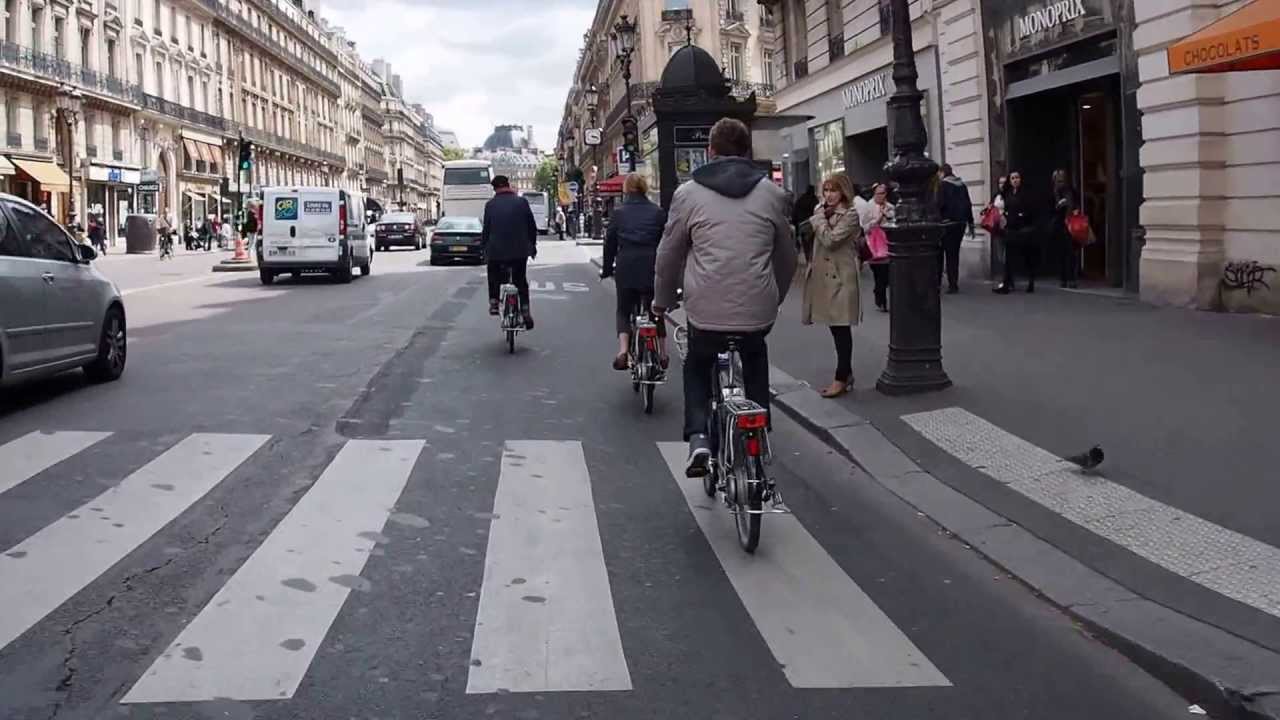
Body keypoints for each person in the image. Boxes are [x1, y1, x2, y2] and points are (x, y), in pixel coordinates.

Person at [652, 117, 797, 476]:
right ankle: (759, 426)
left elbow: (669, 255)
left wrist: (663, 299)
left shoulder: (687, 194)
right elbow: (787, 256)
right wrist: (774, 294)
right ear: (747, 151)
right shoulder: (772, 194)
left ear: (709, 151)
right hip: (758, 308)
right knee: (754, 352)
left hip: (705, 309)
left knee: (698, 363)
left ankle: (699, 436)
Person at [802, 173, 864, 398]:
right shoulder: (823, 212)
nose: (828, 195)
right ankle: (845, 374)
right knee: (835, 327)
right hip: (825, 278)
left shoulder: (850, 215)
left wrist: (817, 220)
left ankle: (842, 376)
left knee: (841, 327)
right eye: (826, 190)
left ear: (843, 192)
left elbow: (831, 240)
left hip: (841, 279)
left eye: (833, 190)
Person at [601, 173, 668, 371]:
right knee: (656, 309)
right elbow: (667, 243)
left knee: (623, 309)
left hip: (626, 265)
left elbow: (610, 244)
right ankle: (663, 354)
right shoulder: (657, 212)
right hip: (652, 265)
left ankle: (623, 351)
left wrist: (606, 269)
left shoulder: (619, 213)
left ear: (626, 189)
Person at [481, 174, 538, 329]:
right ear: (508, 185)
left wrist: (483, 248)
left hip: (497, 251)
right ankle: (525, 310)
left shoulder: (490, 205)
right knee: (521, 281)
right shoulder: (522, 202)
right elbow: (531, 227)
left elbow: (486, 230)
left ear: (495, 189)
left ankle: (494, 301)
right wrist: (532, 245)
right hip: (520, 250)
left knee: (493, 273)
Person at [995, 170, 1037, 293]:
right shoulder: (1008, 193)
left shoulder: (1026, 193)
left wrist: (1021, 215)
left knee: (1026, 256)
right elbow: (1005, 208)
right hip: (1011, 228)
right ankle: (1006, 285)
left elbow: (1030, 209)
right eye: (1013, 178)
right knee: (1008, 257)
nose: (1015, 180)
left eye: (1017, 177)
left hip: (1023, 229)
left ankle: (1031, 281)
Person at [937, 164, 975, 294]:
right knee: (953, 255)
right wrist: (971, 223)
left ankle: (937, 282)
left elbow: (939, 204)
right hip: (960, 224)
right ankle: (953, 284)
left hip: (946, 224)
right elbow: (968, 204)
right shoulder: (962, 185)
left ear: (942, 173)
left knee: (940, 253)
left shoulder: (942, 185)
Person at [862, 183, 894, 312]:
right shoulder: (868, 208)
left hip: (887, 246)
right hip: (873, 246)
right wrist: (877, 220)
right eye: (878, 193)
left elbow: (895, 222)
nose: (880, 196)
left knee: (885, 275)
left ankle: (881, 297)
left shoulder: (890, 207)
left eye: (883, 193)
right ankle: (879, 296)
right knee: (878, 275)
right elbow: (864, 227)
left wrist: (887, 216)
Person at [1051, 168, 1080, 288]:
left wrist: (1076, 210)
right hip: (1060, 224)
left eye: (1062, 177)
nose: (1060, 180)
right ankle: (1063, 278)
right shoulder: (1053, 192)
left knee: (1072, 252)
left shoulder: (1071, 189)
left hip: (1071, 223)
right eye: (1058, 178)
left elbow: (1076, 202)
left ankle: (1072, 278)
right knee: (1061, 253)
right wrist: (1058, 205)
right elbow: (1051, 208)